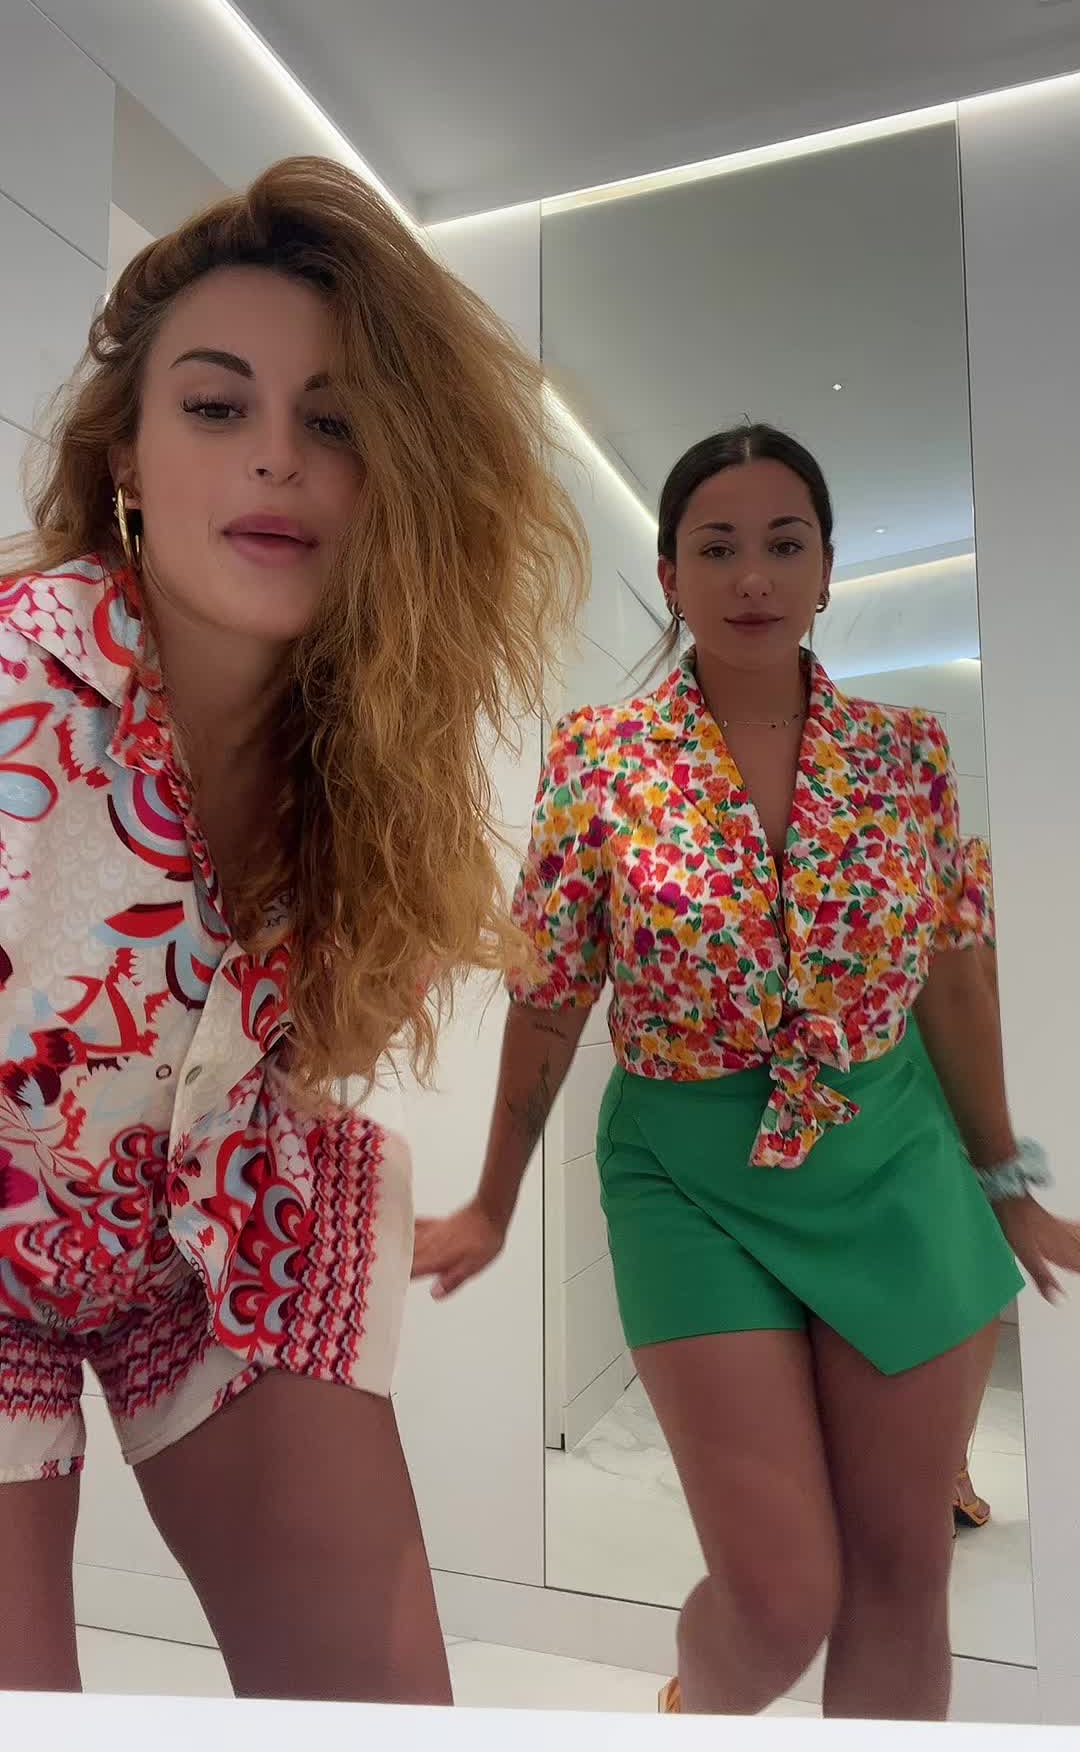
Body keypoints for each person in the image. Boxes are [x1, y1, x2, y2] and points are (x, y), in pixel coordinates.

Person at [0, 156, 583, 1699]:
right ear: (126, 458)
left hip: (207, 1219)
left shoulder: (367, 756)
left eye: (333, 424)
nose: (277, 457)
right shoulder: (13, 687)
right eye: (216, 406)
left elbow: (264, 1046)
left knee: (384, 1708)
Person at [414, 423, 1080, 1723]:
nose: (754, 575)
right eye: (717, 548)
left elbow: (954, 976)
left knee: (904, 1573)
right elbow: (551, 996)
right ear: (670, 574)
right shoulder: (601, 758)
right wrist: (492, 1202)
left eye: (785, 543)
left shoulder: (907, 754)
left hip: (893, 1157)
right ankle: (694, 1714)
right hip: (687, 1172)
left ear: (828, 569)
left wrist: (1007, 1182)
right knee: (780, 1596)